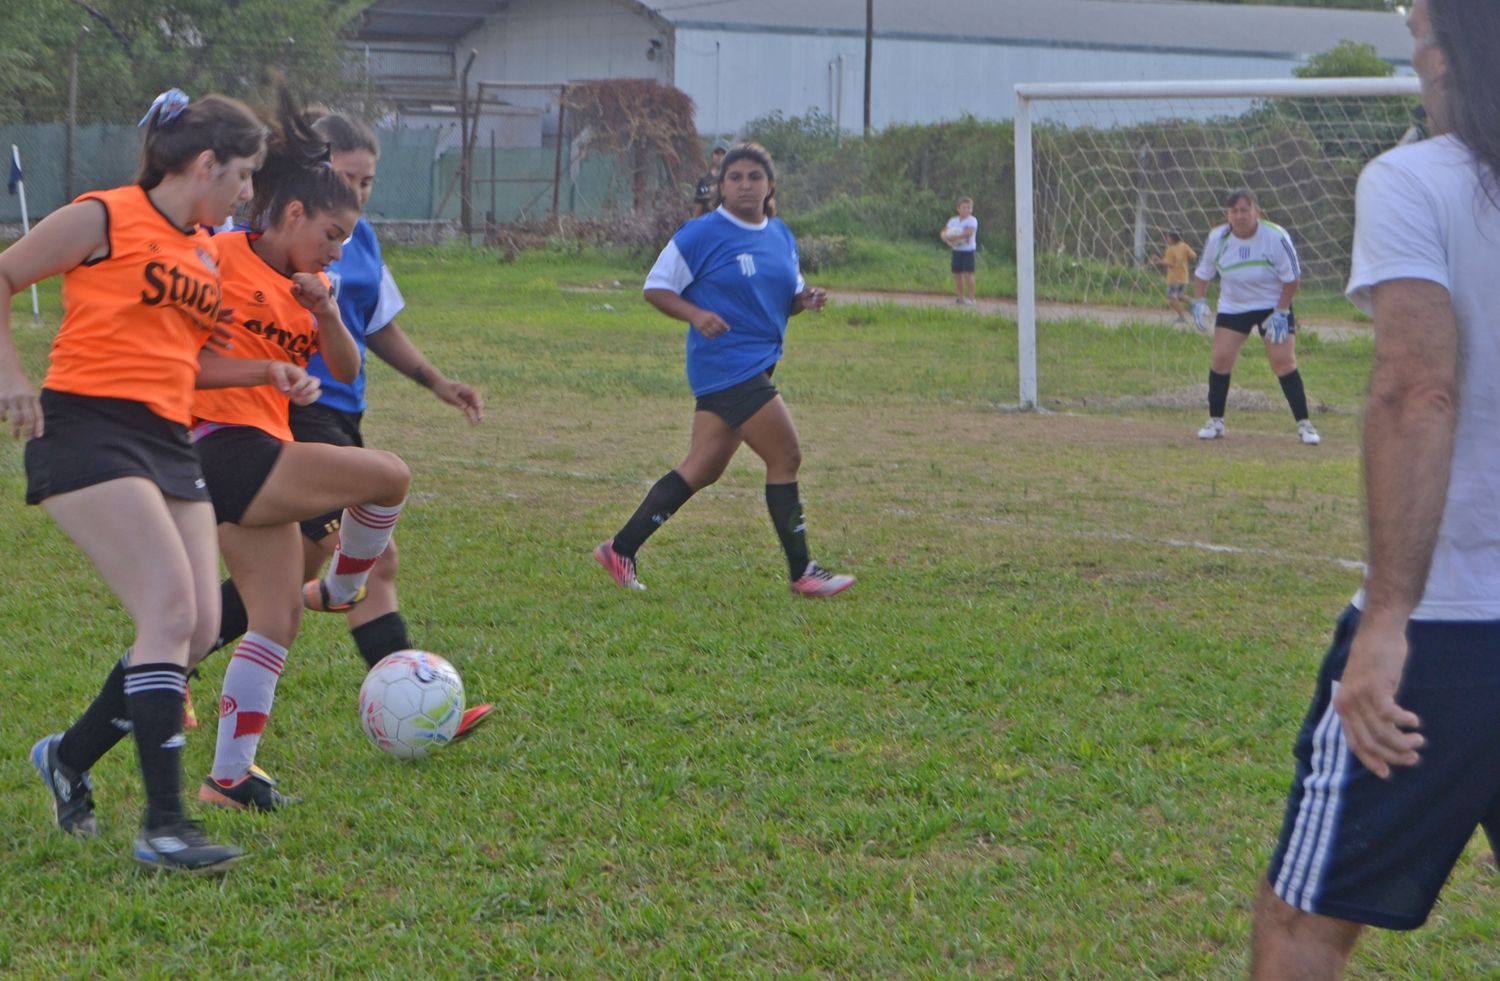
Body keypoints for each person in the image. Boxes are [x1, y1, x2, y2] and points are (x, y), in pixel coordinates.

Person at [1251, 2, 1500, 975]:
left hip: (1445, 636)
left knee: (1303, 923)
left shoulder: (1412, 181)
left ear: (1453, 57)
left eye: (1418, 43)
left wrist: (1389, 618)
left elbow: (1416, 387)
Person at [7, 90, 284, 872]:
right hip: (86, 430)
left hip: (167, 441)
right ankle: (166, 825)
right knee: (166, 609)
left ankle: (66, 757)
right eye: (242, 175)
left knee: (196, 629)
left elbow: (188, 363)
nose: (247, 193)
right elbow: (2, 274)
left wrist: (266, 368)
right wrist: (11, 376)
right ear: (205, 164)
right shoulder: (103, 215)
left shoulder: (201, 248)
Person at [203, 110, 493, 743]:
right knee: (370, 556)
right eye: (348, 178)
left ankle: (169, 664)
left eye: (368, 181)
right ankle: (415, 701)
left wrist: (436, 381)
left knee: (284, 582)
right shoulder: (257, 238)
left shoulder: (354, 239)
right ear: (309, 186)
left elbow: (374, 323)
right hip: (291, 416)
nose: (360, 192)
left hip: (338, 410)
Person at [189, 94, 416, 811]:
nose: (339, 250)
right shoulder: (217, 254)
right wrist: (260, 372)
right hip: (220, 446)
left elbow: (345, 369)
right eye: (332, 233)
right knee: (389, 476)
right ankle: (346, 589)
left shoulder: (305, 288)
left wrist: (322, 309)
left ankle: (229, 775)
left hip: (262, 443)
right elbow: (182, 359)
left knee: (275, 618)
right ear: (291, 215)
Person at [593, 143, 854, 598]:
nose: (745, 185)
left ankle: (620, 547)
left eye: (755, 176)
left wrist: (803, 301)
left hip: (758, 363)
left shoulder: (780, 235)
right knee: (786, 455)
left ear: (770, 185)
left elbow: (783, 297)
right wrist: (695, 315)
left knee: (702, 468)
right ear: (721, 186)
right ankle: (803, 571)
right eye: (735, 177)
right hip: (727, 363)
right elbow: (656, 287)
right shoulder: (701, 233)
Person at [1188, 189, 1320, 445]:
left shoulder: (1275, 236)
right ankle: (1215, 422)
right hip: (1233, 306)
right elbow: (1203, 272)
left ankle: (1305, 425)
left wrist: (1281, 312)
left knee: (1283, 363)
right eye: (1234, 211)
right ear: (1227, 215)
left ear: (1256, 211)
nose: (1240, 216)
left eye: (1245, 210)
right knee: (1220, 361)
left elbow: (1292, 279)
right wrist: (1199, 300)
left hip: (1272, 306)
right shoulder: (1218, 237)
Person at [1150, 231, 1196, 324]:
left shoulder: (1170, 249)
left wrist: (1158, 261)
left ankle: (1182, 317)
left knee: (1172, 297)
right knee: (1179, 296)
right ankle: (1194, 303)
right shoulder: (1184, 245)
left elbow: (1170, 264)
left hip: (1174, 278)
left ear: (1172, 238)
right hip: (1184, 277)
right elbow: (1193, 256)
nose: (1167, 239)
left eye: (1168, 237)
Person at [941, 197, 978, 306]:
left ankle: (971, 299)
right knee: (957, 274)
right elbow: (945, 231)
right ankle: (960, 298)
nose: (967, 210)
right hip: (956, 251)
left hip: (968, 251)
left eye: (969, 208)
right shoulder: (953, 221)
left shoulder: (972, 220)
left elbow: (969, 232)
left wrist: (953, 239)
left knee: (968, 274)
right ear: (958, 208)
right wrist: (944, 236)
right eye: (964, 207)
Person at [691, 139, 730, 218]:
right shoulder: (703, 180)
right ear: (712, 155)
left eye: (723, 154)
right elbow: (698, 207)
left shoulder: (732, 180)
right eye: (717, 153)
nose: (720, 157)